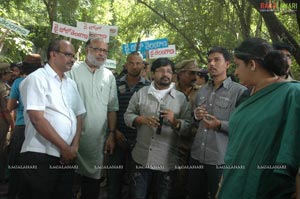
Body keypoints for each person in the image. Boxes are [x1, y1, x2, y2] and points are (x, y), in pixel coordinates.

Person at [218, 38, 300, 199]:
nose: (235, 72)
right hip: (233, 185)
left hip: (267, 188)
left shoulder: (292, 93)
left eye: (237, 65)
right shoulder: (248, 97)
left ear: (252, 64)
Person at [18, 39, 86, 199]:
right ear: (53, 54)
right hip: (40, 155)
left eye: (74, 56)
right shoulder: (37, 78)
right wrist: (64, 148)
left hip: (66, 157)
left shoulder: (71, 84)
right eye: (68, 54)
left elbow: (79, 115)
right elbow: (37, 118)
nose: (73, 59)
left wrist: (74, 147)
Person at [124, 57, 192, 199]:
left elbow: (188, 127)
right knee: (138, 195)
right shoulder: (141, 93)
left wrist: (175, 122)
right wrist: (140, 119)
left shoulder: (180, 98)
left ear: (173, 75)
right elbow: (127, 116)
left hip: (166, 161)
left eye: (169, 71)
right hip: (141, 158)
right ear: (152, 73)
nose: (165, 74)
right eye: (161, 70)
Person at [188, 47, 247, 199]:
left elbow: (243, 127)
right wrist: (196, 115)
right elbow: (193, 119)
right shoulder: (201, 91)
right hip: (196, 156)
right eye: (209, 61)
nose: (211, 64)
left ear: (227, 64)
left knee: (219, 195)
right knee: (194, 194)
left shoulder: (239, 92)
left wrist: (220, 124)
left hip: (220, 160)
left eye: (216, 60)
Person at [66, 37, 118, 199]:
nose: (101, 54)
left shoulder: (109, 76)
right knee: (68, 182)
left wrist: (111, 133)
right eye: (97, 49)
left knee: (92, 186)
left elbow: (112, 108)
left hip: (97, 141)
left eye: (104, 51)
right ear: (87, 49)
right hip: (71, 138)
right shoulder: (72, 71)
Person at [107, 51, 150, 199]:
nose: (135, 66)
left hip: (139, 141)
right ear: (126, 64)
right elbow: (110, 108)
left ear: (143, 65)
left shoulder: (149, 87)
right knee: (113, 177)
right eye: (131, 63)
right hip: (116, 137)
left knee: (136, 181)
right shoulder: (115, 83)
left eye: (138, 63)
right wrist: (114, 132)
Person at [7, 54, 43, 199]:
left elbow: (10, 106)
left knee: (17, 163)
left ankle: (13, 193)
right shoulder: (45, 82)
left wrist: (19, 104)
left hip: (22, 126)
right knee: (35, 164)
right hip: (41, 128)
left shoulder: (19, 82)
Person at [172, 59, 201, 199]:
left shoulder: (202, 92)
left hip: (197, 145)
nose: (195, 77)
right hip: (176, 144)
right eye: (191, 73)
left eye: (196, 74)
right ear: (181, 73)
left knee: (195, 183)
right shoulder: (170, 91)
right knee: (178, 181)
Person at [0, 64, 14, 193]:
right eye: (8, 73)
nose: (11, 75)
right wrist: (12, 124)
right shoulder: (3, 88)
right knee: (2, 149)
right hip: (2, 122)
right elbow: (5, 110)